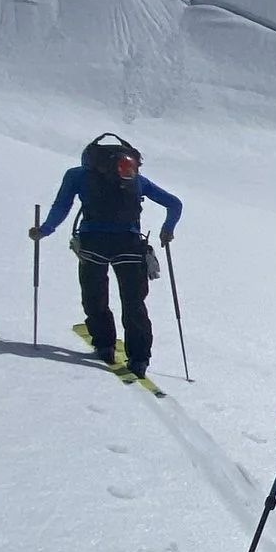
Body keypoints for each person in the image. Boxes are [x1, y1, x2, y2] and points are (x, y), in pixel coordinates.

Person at [36, 133, 182, 379]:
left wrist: (44, 230)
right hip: (129, 245)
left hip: (93, 244)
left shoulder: (77, 175)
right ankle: (139, 359)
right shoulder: (136, 180)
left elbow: (62, 206)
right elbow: (174, 204)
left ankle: (104, 345)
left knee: (95, 296)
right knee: (134, 303)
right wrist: (168, 229)